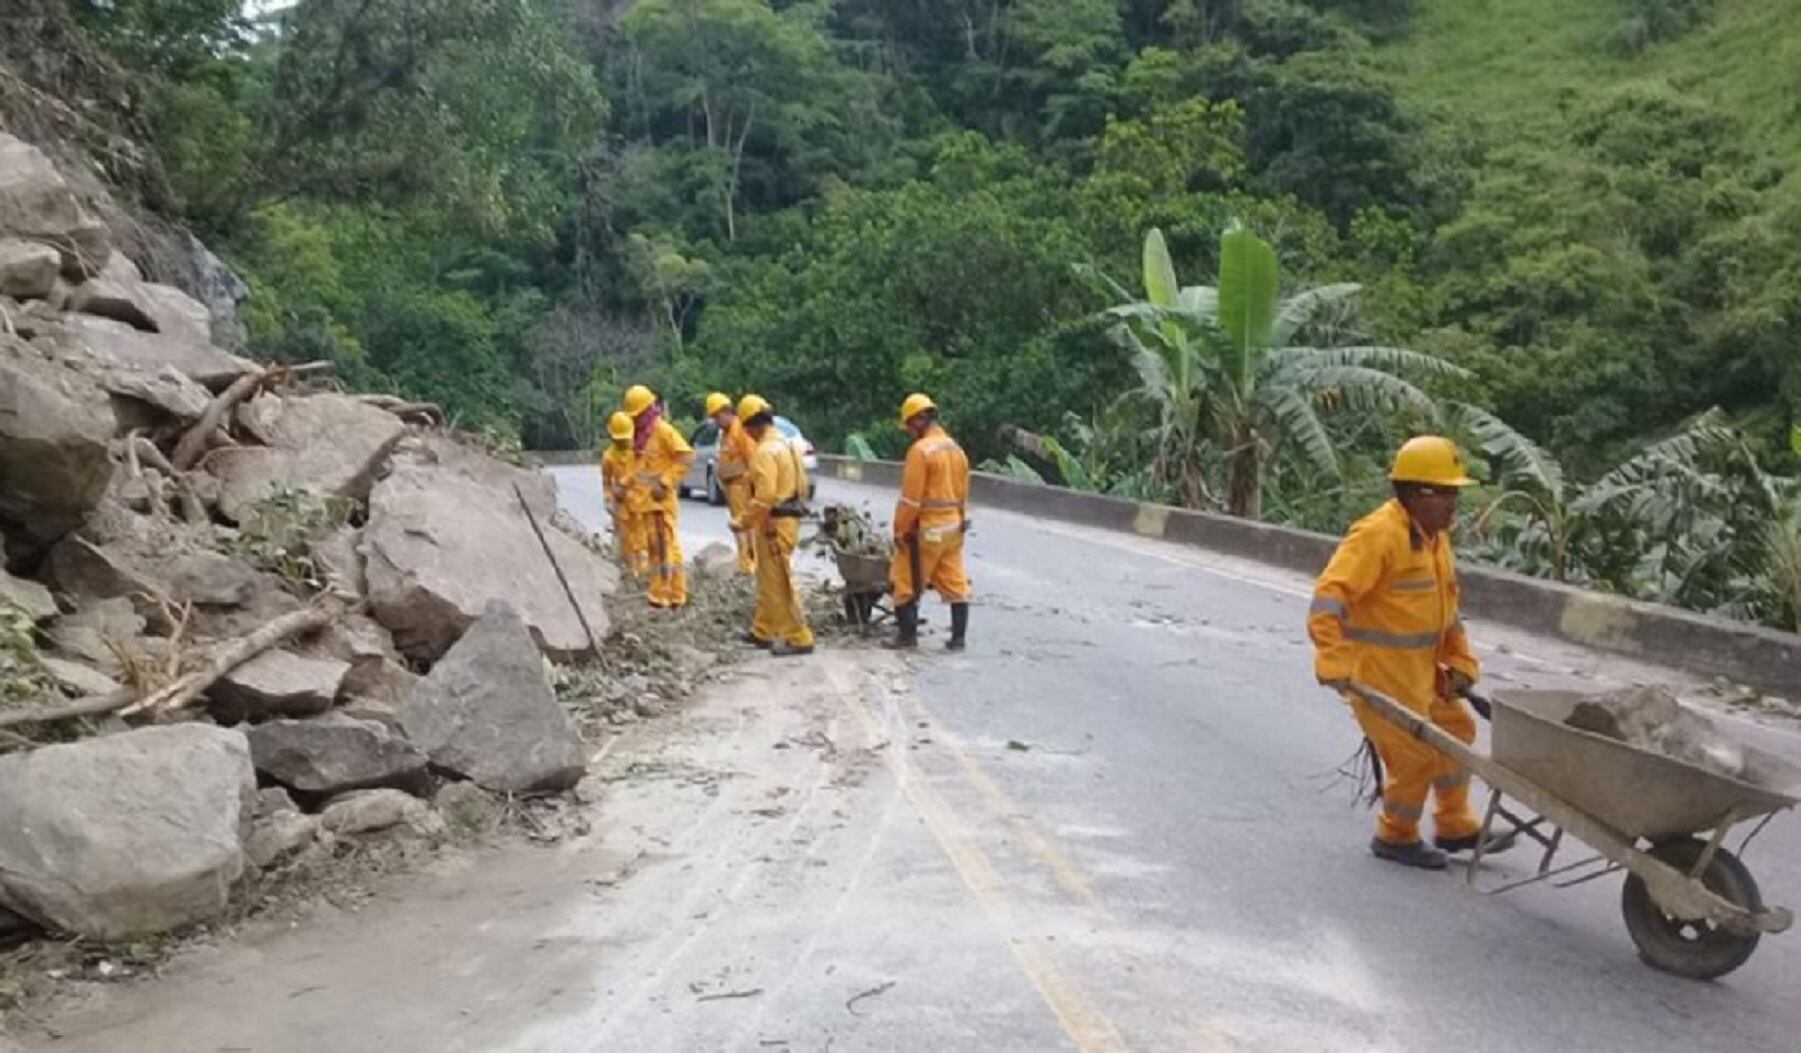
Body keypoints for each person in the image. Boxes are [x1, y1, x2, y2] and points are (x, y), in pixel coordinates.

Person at [1309, 435, 1496, 870]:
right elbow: (1329, 598)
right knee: (1414, 758)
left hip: (1421, 676)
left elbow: (1448, 614)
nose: (1454, 504)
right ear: (1417, 493)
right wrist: (1333, 660)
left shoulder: (1434, 540)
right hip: (1378, 676)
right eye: (1446, 493)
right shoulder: (1378, 535)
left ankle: (1454, 824)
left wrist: (1461, 663)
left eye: (1455, 493)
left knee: (1457, 731)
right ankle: (1395, 835)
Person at [887, 393, 970, 651]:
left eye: (910, 427)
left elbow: (911, 500)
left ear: (919, 420)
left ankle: (907, 636)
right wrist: (961, 520)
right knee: (955, 581)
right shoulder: (956, 449)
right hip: (953, 528)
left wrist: (900, 531)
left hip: (928, 530)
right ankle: (958, 638)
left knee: (904, 581)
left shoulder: (920, 451)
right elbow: (963, 492)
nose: (910, 433)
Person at [740, 394, 815, 656]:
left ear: (752, 426)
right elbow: (803, 485)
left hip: (774, 522)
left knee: (779, 581)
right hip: (786, 519)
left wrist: (743, 521)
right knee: (768, 578)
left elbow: (765, 497)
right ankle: (762, 629)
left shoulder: (764, 452)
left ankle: (799, 636)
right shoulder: (787, 445)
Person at [623, 384, 694, 608]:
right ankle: (670, 592)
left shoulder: (663, 431)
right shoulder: (641, 436)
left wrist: (665, 482)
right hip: (646, 503)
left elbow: (686, 457)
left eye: (637, 415)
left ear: (647, 411)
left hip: (660, 503)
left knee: (663, 549)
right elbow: (638, 467)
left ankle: (666, 594)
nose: (635, 420)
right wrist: (625, 484)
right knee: (660, 548)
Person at [707, 392, 758, 575]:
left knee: (746, 526)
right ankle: (744, 561)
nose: (716, 421)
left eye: (717, 417)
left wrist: (753, 485)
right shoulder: (726, 434)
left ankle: (750, 563)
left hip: (742, 487)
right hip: (732, 488)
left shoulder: (740, 431)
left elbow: (752, 458)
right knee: (739, 526)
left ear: (726, 412)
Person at [599, 411, 648, 579]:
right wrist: (608, 498)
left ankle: (643, 573)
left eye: (624, 439)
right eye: (619, 439)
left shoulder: (638, 452)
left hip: (639, 502)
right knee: (625, 541)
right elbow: (606, 481)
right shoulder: (608, 457)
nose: (622, 442)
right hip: (621, 506)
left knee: (642, 540)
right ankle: (629, 572)